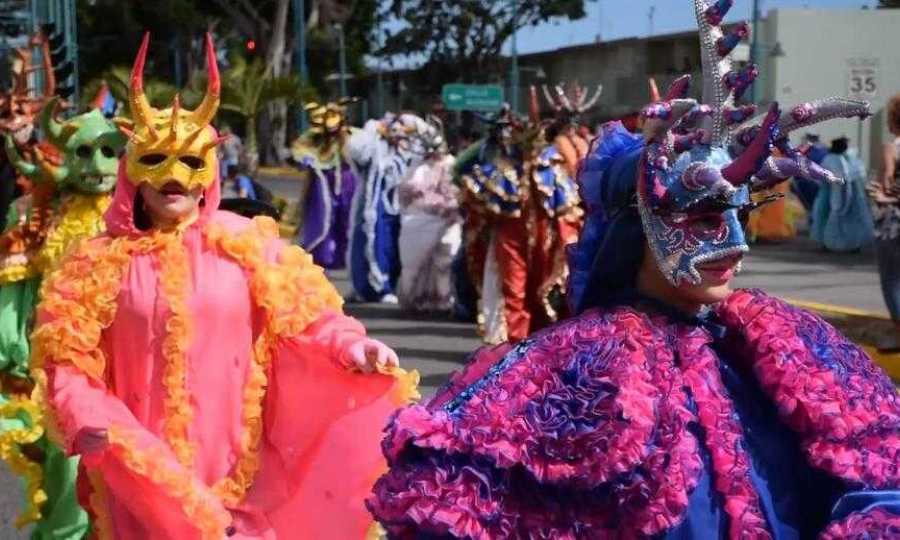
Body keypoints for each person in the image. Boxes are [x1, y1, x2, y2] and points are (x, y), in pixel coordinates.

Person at [367, 2, 894, 537]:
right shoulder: (573, 360)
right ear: (635, 228)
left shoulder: (781, 341)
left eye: (740, 216)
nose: (735, 243)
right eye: (707, 218)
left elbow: (878, 474)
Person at [30, 33, 417, 539]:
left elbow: (309, 321)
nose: (175, 177)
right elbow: (68, 361)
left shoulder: (245, 245)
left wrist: (352, 346)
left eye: (191, 162)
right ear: (133, 174)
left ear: (208, 171)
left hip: (239, 467)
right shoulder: (96, 264)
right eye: (158, 161)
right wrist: (84, 414)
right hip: (143, 470)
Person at [455, 98, 582, 344]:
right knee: (513, 291)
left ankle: (538, 346)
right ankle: (513, 347)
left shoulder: (551, 163)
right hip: (510, 237)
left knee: (542, 292)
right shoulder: (499, 163)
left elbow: (567, 207)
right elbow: (473, 193)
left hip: (546, 239)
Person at [346, 112, 426, 303]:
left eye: (401, 132)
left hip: (401, 210)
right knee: (374, 244)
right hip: (374, 209)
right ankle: (373, 287)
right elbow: (357, 151)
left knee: (396, 248)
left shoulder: (408, 153)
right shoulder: (375, 152)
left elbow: (426, 143)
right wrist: (374, 128)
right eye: (393, 130)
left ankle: (393, 285)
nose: (397, 135)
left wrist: (413, 124)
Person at [396, 118, 461, 313]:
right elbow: (406, 193)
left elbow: (457, 191)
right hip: (420, 219)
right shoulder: (418, 167)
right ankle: (413, 300)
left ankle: (443, 301)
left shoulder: (452, 164)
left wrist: (452, 209)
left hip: (449, 219)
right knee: (413, 263)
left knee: (445, 261)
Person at [290, 99, 358, 270]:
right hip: (322, 182)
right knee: (323, 217)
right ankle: (323, 255)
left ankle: (346, 255)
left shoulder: (351, 135)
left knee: (347, 217)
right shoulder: (315, 136)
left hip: (347, 180)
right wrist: (307, 159)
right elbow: (299, 148)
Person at [870, 93, 900, 351]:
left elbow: (888, 181)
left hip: (893, 223)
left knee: (892, 277)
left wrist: (882, 193)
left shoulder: (892, 147)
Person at [811, 136, 874, 252]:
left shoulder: (851, 158)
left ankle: (853, 243)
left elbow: (859, 175)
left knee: (851, 220)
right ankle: (830, 242)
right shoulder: (831, 159)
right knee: (834, 218)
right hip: (834, 195)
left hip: (852, 196)